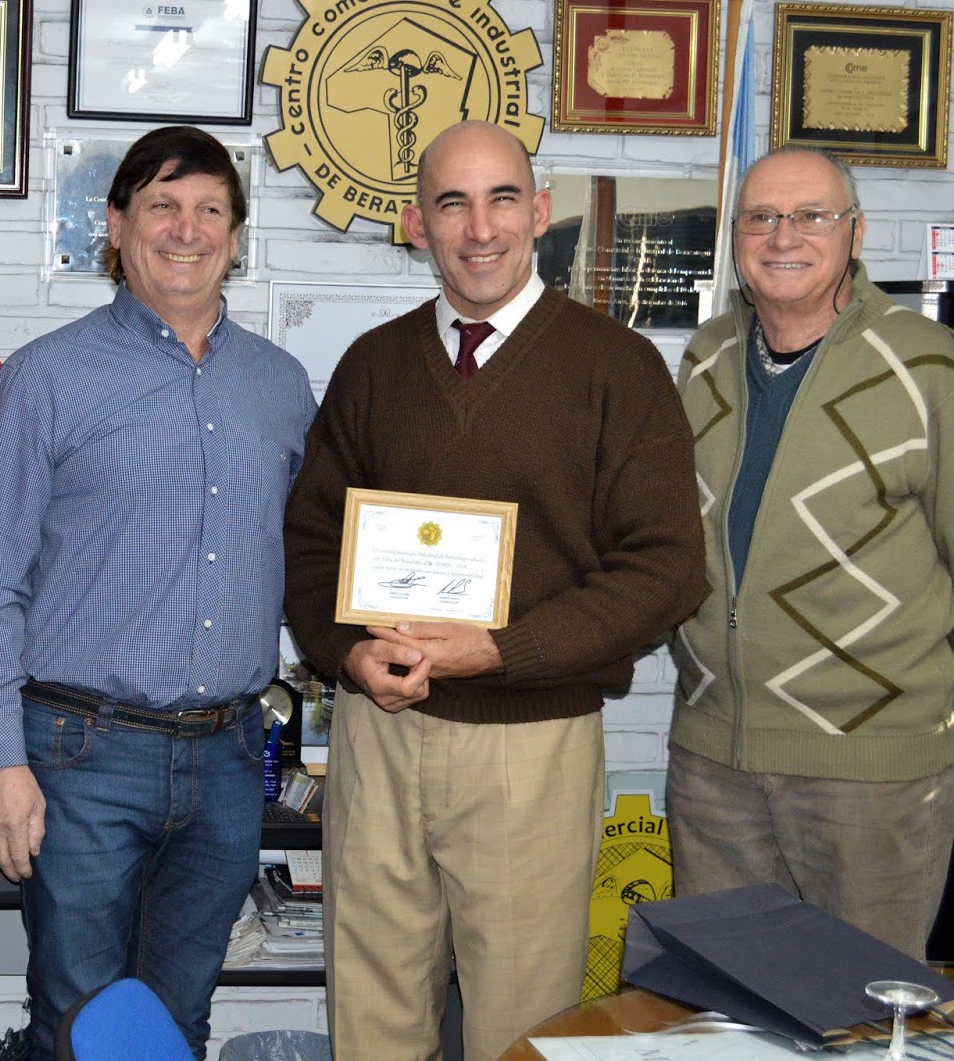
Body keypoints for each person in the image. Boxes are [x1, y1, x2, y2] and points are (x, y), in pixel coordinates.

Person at [281, 120, 706, 1061]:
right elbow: (312, 542)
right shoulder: (373, 364)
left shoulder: (618, 367)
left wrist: (501, 651)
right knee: (371, 1016)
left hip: (530, 743)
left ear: (540, 212)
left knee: (522, 1022)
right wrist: (346, 650)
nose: (480, 228)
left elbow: (667, 567)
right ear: (416, 224)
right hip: (380, 731)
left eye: (502, 198)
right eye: (452, 203)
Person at [0, 125, 317, 1060]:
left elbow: (316, 556)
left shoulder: (281, 386)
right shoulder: (45, 377)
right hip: (81, 756)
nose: (186, 230)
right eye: (162, 206)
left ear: (235, 232)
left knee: (178, 1022)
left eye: (209, 209)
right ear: (116, 226)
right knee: (78, 1024)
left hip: (229, 758)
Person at [668, 147, 954, 957]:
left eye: (811, 216)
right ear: (735, 238)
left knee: (862, 1005)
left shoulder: (930, 364)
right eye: (760, 216)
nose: (782, 236)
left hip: (872, 772)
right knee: (723, 1002)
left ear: (855, 233)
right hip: (712, 759)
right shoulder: (706, 357)